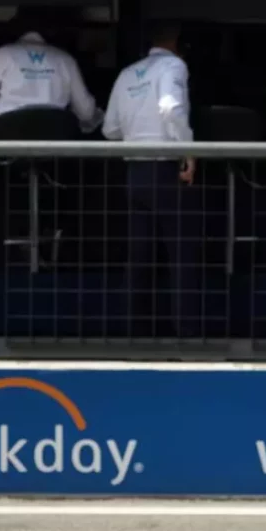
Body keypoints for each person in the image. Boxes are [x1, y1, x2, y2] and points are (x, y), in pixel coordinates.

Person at [102, 22, 201, 337]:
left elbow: (109, 129)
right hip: (165, 168)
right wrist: (188, 152)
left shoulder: (128, 73)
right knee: (182, 253)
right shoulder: (173, 66)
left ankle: (132, 334)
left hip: (135, 172)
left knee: (139, 257)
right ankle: (187, 334)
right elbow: (171, 109)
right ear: (176, 42)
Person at [0, 9, 102, 134]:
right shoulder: (65, 59)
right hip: (56, 136)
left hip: (10, 134)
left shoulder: (0, 55)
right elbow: (86, 112)